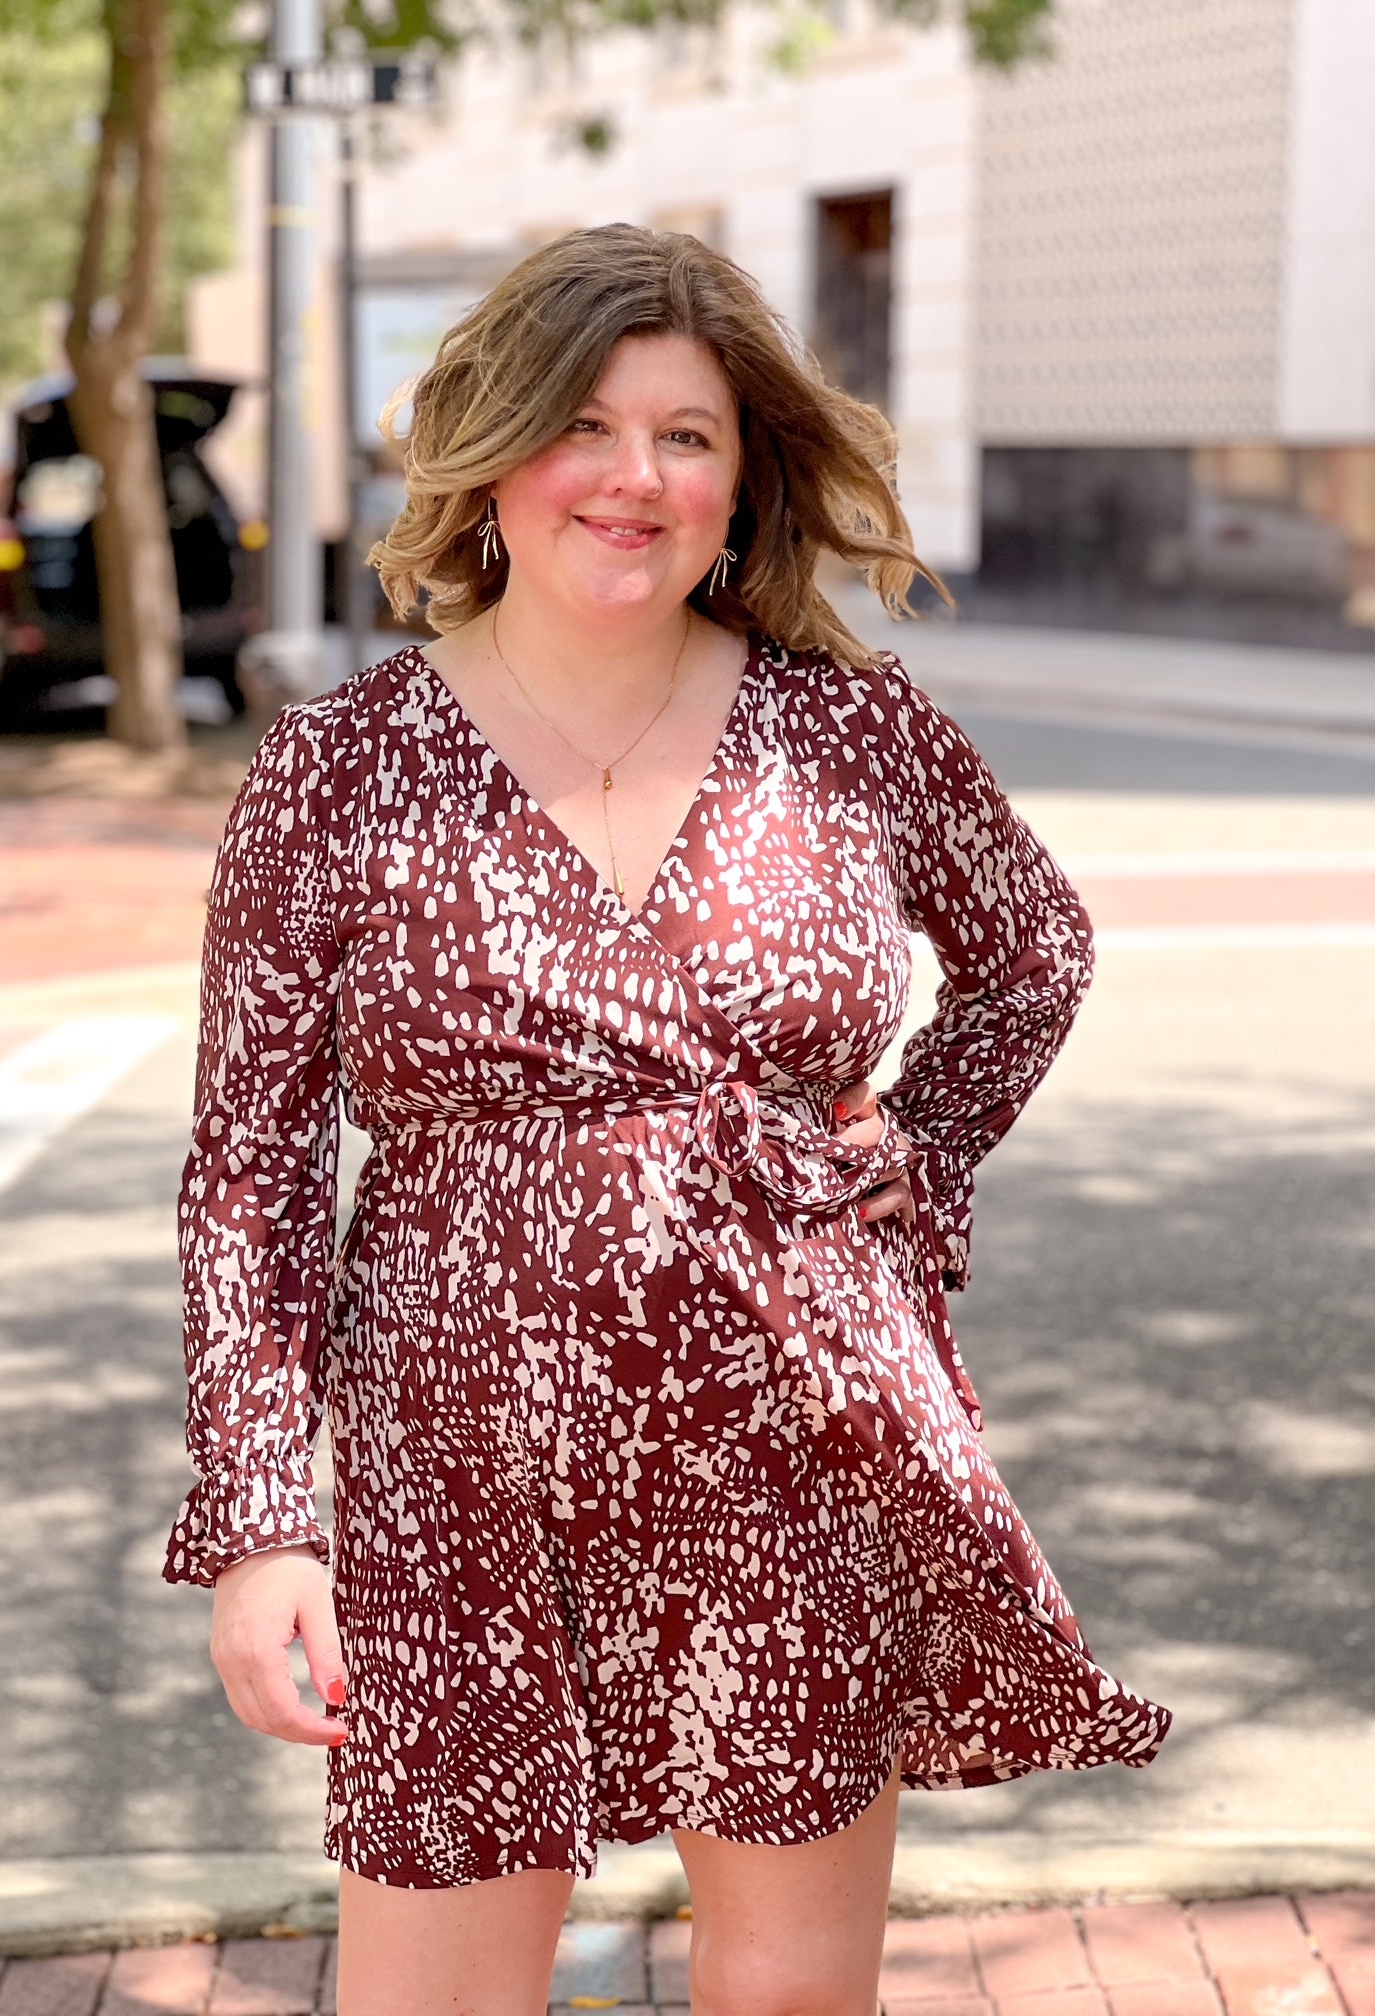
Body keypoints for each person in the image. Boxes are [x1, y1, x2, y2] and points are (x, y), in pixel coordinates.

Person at [163, 223, 1171, 2016]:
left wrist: (916, 1157)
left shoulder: (846, 732)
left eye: (686, 435)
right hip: (455, 1464)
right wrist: (259, 1523)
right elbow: (251, 1176)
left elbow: (1037, 951)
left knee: (788, 1994)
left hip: (791, 1435)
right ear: (493, 456)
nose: (635, 477)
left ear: (739, 481)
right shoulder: (338, 769)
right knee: (432, 1996)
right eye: (587, 425)